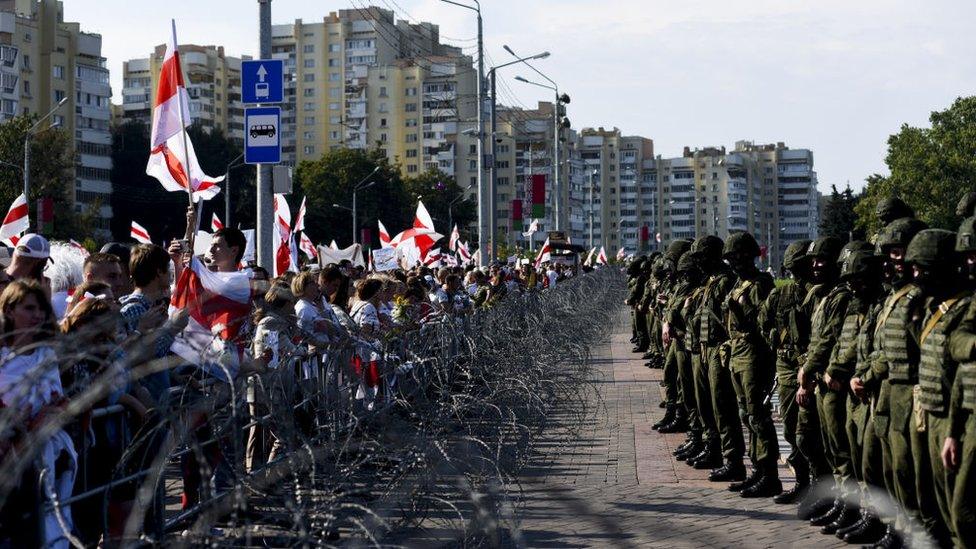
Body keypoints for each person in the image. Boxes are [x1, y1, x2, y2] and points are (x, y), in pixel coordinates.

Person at [0, 280, 76, 548]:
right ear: (9, 311)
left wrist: (54, 411)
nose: (37, 315)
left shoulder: (46, 355)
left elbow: (57, 399)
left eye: (41, 309)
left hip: (47, 452)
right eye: (29, 308)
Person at [721, 232, 778, 498]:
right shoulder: (738, 284)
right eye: (731, 258)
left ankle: (769, 474)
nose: (735, 262)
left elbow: (763, 322)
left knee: (758, 415)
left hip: (754, 354)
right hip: (737, 353)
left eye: (739, 257)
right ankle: (757, 469)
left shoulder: (760, 284)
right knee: (746, 414)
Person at [759, 239, 813, 504]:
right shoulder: (780, 295)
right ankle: (803, 482)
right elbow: (763, 322)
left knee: (812, 432)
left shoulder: (820, 295)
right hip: (788, 366)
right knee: (792, 428)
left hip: (813, 368)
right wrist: (775, 337)